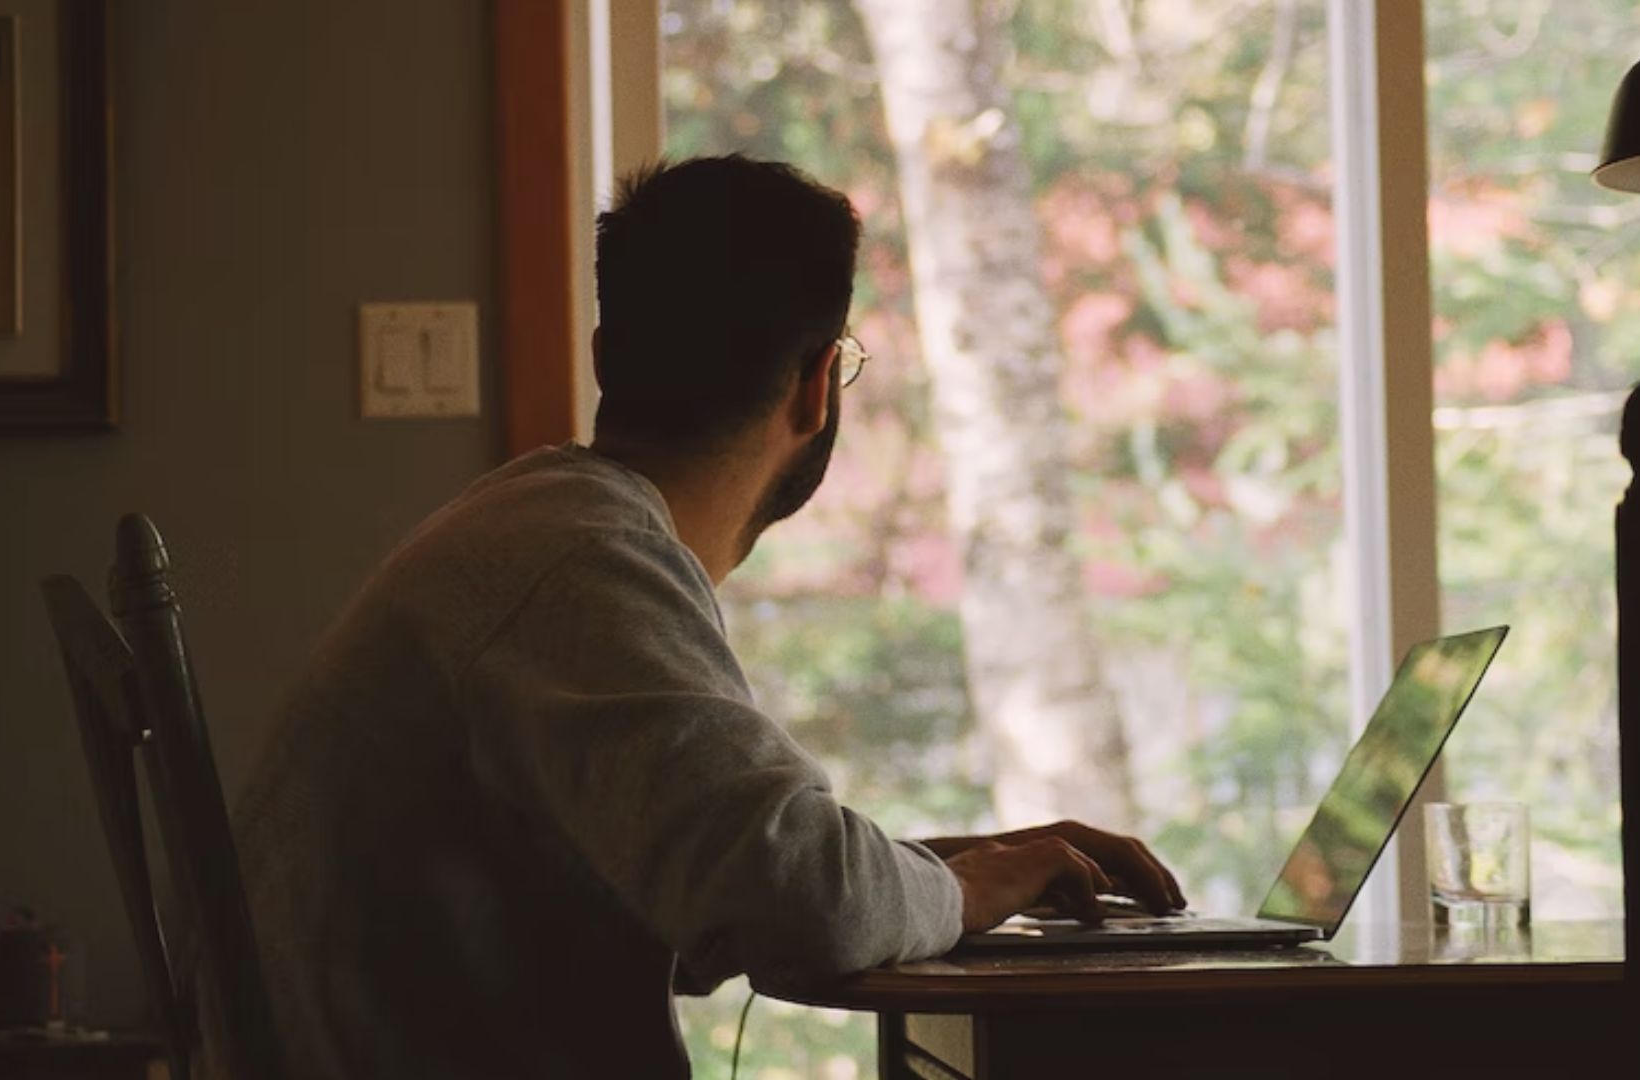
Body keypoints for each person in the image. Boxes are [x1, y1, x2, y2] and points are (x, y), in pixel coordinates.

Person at [231, 154, 1185, 1079]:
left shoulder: (535, 530)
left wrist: (940, 872)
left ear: (606, 357)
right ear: (816, 388)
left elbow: (710, 879)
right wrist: (966, 891)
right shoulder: (583, 562)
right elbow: (801, 906)